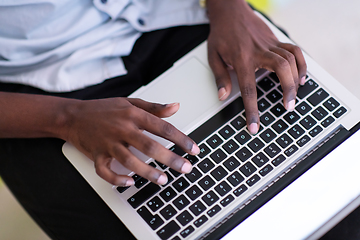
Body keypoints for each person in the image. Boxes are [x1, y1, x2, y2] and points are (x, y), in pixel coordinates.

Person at [0, 0, 311, 239]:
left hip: (170, 14)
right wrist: (67, 118)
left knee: (317, 160)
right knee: (152, 220)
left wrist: (230, 7)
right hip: (35, 90)